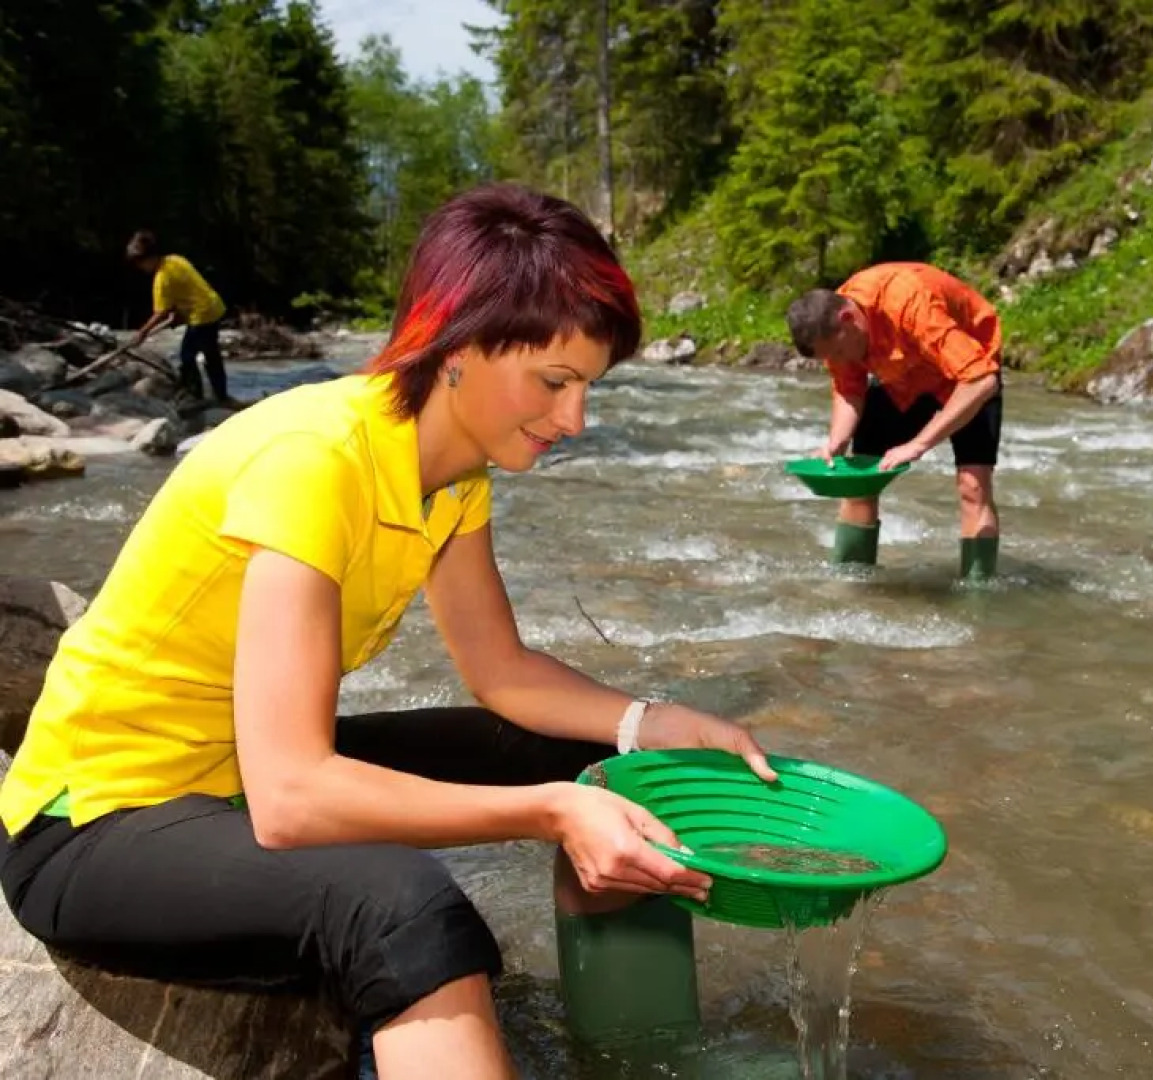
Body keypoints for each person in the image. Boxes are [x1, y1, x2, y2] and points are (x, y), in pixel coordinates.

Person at [1, 184, 777, 1080]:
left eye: (587, 387)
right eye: (555, 383)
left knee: (573, 754)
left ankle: (632, 1048)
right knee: (399, 902)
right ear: (455, 348)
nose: (575, 421)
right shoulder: (314, 459)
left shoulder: (452, 477)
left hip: (231, 782)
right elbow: (292, 801)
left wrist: (652, 725)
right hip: (99, 825)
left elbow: (503, 673)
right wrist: (548, 814)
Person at [786, 262, 1005, 579]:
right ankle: (851, 582)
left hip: (967, 374)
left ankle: (979, 593)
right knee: (859, 478)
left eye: (837, 352)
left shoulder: (911, 303)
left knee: (973, 486)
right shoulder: (837, 329)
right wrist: (836, 442)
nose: (839, 362)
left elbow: (981, 381)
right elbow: (849, 389)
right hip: (900, 377)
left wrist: (917, 445)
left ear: (847, 319)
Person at [125, 229, 237, 407]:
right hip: (213, 306)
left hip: (201, 315)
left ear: (149, 259)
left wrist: (142, 333)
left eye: (141, 264)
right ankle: (221, 395)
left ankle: (195, 396)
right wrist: (178, 316)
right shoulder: (175, 260)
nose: (141, 268)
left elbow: (160, 313)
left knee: (187, 356)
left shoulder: (161, 279)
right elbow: (187, 291)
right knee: (211, 355)